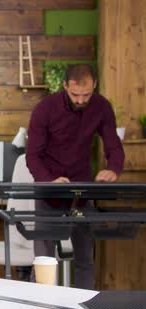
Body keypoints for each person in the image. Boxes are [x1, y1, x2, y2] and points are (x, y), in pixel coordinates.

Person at [26, 64, 125, 290]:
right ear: (64, 86)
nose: (81, 100)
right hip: (48, 191)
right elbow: (32, 156)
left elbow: (114, 146)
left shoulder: (101, 107)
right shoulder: (45, 108)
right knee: (44, 262)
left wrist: (113, 168)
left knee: (85, 259)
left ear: (94, 86)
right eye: (75, 95)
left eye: (86, 95)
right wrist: (49, 181)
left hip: (82, 191)